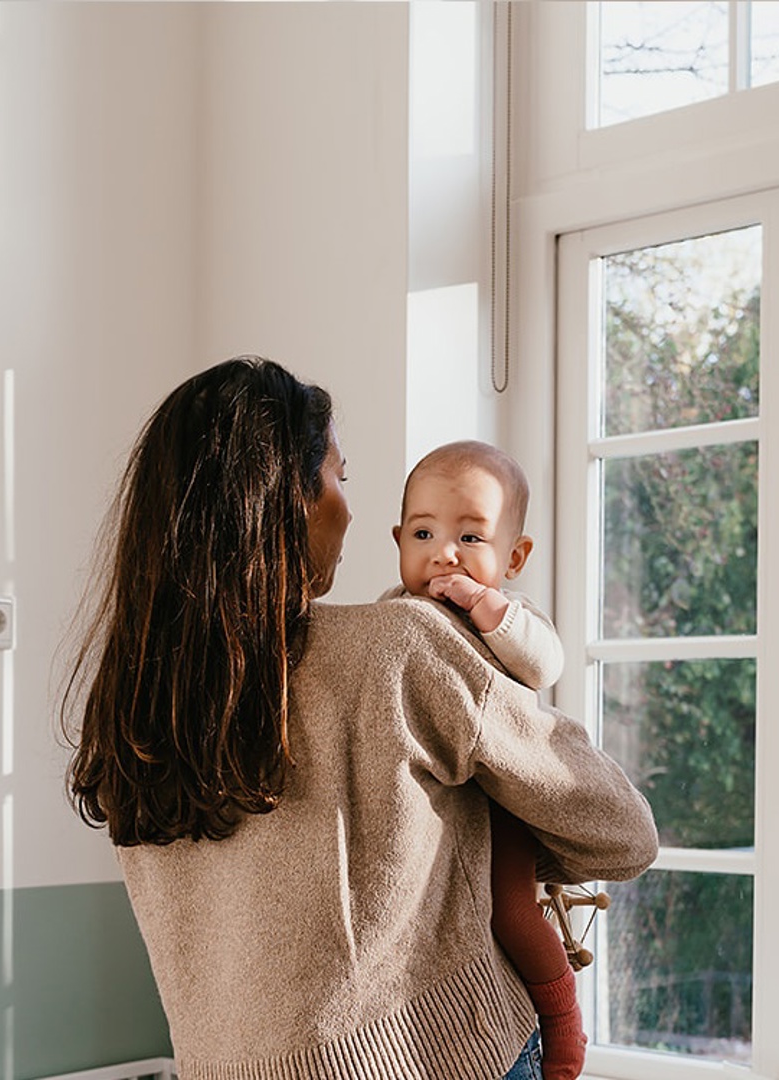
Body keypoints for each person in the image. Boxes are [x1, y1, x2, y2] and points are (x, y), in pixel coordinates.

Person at [61, 357, 659, 1080]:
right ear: (291, 497)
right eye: (340, 476)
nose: (349, 505)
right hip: (436, 1060)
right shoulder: (401, 647)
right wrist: (483, 833)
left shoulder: (133, 700)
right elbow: (623, 835)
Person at [385, 441, 585, 1080]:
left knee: (512, 910)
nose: (444, 552)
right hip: (432, 804)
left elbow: (545, 665)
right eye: (424, 532)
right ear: (399, 540)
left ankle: (560, 1022)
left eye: (471, 537)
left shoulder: (510, 615)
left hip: (500, 799)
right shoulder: (397, 611)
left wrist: (490, 612)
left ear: (514, 556)